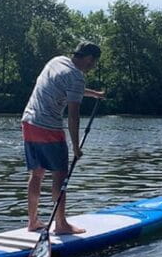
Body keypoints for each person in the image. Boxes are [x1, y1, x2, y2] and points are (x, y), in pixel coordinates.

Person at [21, 40, 105, 234]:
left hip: (29, 122)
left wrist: (94, 94)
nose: (93, 67)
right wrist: (76, 146)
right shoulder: (77, 76)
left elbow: (67, 87)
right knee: (59, 175)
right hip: (49, 127)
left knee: (36, 174)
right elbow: (73, 115)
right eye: (94, 62)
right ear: (89, 58)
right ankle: (61, 225)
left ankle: (32, 221)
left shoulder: (57, 61)